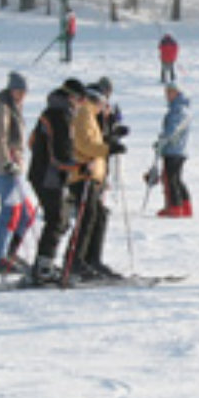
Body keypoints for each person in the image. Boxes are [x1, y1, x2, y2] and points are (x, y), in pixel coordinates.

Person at [0, 71, 37, 273]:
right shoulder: (1, 108)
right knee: (10, 211)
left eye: (24, 91)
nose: (21, 95)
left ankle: (10, 253)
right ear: (10, 90)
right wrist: (5, 162)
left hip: (12, 168)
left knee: (27, 213)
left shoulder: (13, 108)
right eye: (18, 90)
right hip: (1, 169)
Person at [66, 86, 126, 280]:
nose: (104, 108)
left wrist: (110, 143)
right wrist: (107, 149)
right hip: (83, 174)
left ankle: (92, 259)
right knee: (87, 217)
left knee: (98, 216)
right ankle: (76, 261)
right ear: (97, 101)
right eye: (103, 103)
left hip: (93, 175)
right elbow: (83, 144)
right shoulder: (84, 113)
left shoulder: (90, 115)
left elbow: (92, 142)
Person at [26, 79, 83, 283]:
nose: (81, 105)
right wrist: (80, 166)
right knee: (57, 219)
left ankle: (45, 263)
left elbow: (32, 141)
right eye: (80, 99)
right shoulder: (60, 115)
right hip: (49, 176)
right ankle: (43, 267)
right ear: (72, 97)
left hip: (45, 174)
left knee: (62, 219)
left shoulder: (53, 111)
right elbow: (60, 155)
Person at [155, 83, 193, 217]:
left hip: (174, 149)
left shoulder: (179, 110)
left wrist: (163, 139)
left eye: (170, 92)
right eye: (166, 93)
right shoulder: (179, 108)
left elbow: (173, 129)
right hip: (176, 148)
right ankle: (184, 205)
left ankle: (176, 207)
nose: (167, 96)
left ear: (177, 93)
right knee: (176, 178)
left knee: (171, 178)